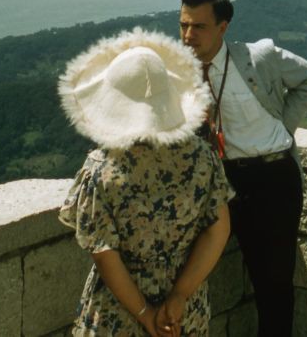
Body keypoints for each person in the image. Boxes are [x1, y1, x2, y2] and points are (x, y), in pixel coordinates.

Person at [58, 28, 232, 336]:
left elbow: (103, 251)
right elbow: (218, 230)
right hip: (183, 314)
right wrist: (179, 295)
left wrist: (145, 314)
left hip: (117, 316)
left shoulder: (101, 169)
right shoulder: (202, 158)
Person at [178, 0, 307, 337]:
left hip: (273, 178)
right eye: (183, 25)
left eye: (199, 26)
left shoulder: (259, 57)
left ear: (222, 27)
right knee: (187, 272)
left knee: (274, 282)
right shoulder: (179, 72)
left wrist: (283, 128)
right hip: (222, 180)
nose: (188, 35)